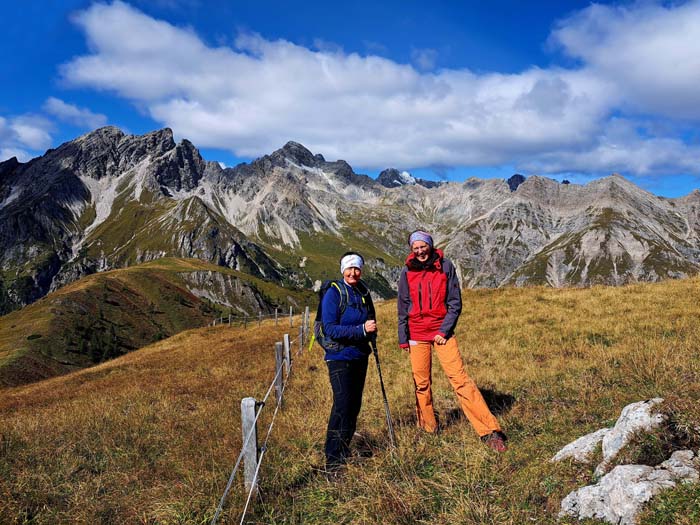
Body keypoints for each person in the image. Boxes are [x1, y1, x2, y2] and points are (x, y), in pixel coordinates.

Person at [397, 230, 507, 452]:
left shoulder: (446, 267)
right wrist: (403, 337)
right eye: (415, 248)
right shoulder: (406, 272)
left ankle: (489, 431)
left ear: (430, 246)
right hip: (417, 333)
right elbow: (402, 306)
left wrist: (444, 330)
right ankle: (428, 427)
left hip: (441, 333)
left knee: (460, 380)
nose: (420, 251)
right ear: (411, 250)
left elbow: (455, 303)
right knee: (421, 384)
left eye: (423, 246)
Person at [321, 251, 377, 472]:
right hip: (339, 357)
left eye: (357, 268)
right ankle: (333, 461)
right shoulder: (334, 294)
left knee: (353, 407)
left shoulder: (362, 291)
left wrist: (371, 332)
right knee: (342, 406)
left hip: (360, 356)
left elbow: (370, 318)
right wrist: (361, 330)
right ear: (342, 270)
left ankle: (343, 451)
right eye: (349, 268)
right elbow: (330, 328)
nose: (353, 272)